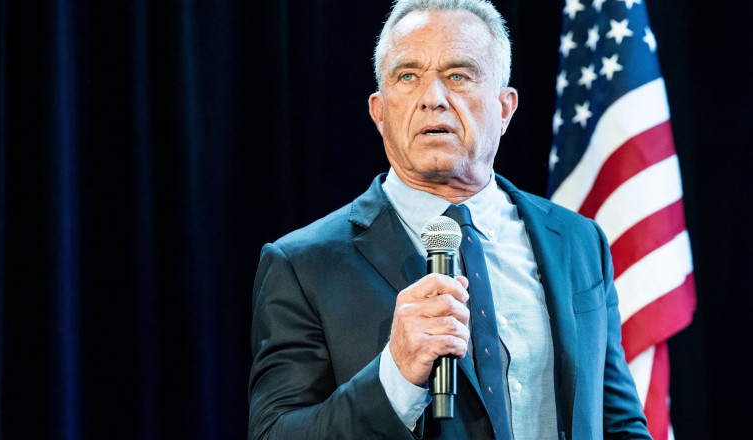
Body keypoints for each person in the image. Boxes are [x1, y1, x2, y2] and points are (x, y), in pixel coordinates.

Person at [248, 0, 651, 438]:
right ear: (379, 112)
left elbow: (619, 423)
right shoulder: (303, 265)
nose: (433, 99)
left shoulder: (577, 241)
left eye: (458, 75)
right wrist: (396, 376)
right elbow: (275, 432)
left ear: (505, 108)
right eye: (408, 76)